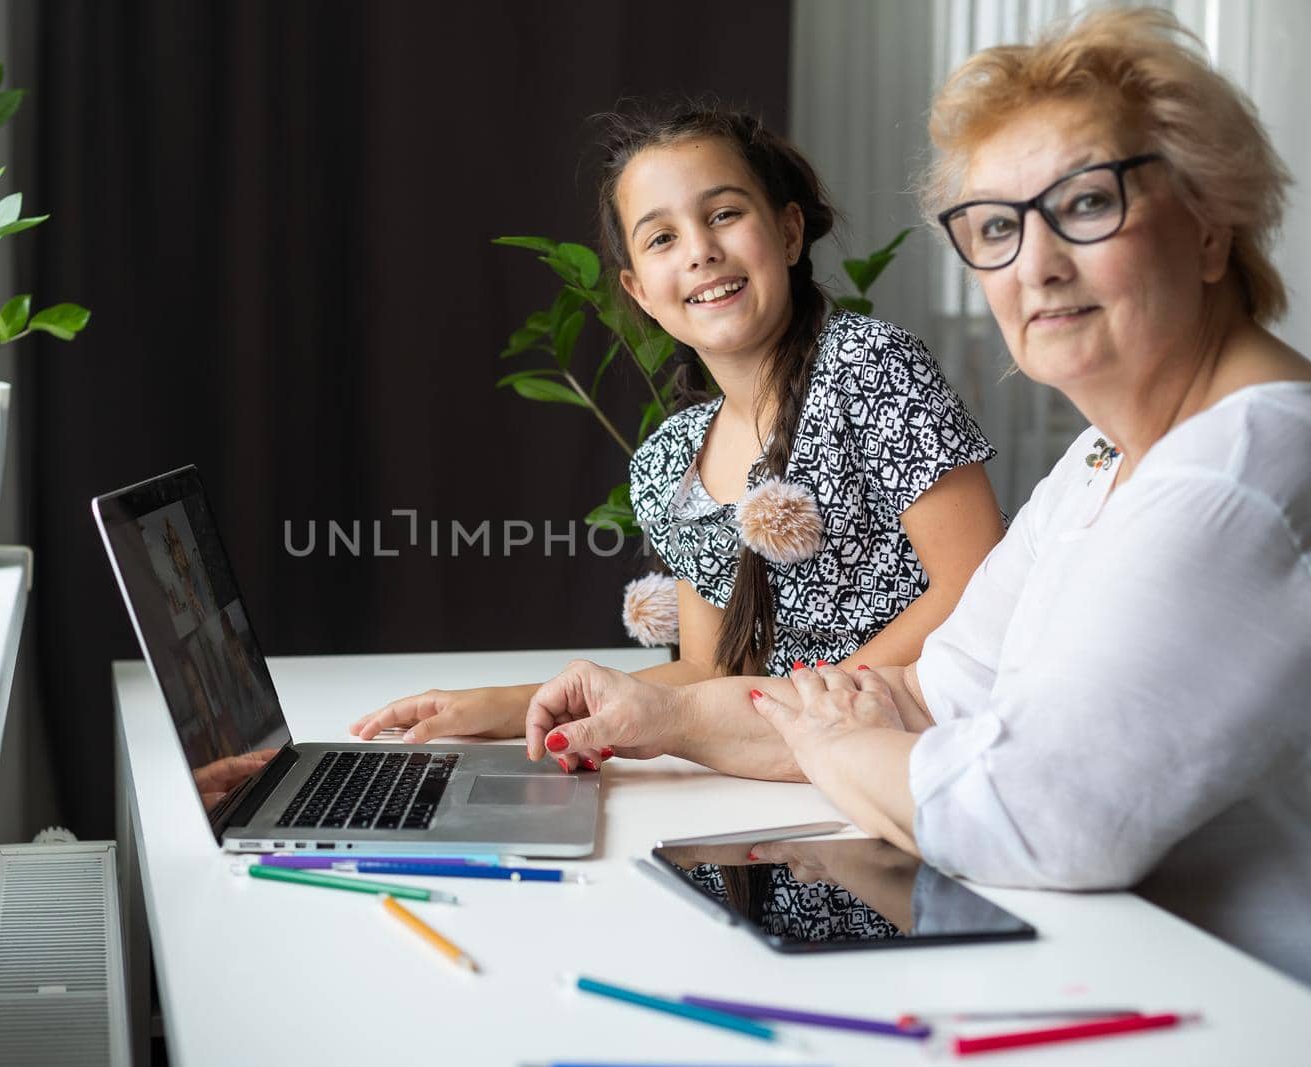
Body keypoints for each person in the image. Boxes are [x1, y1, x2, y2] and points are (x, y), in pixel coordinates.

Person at [521, 8, 1311, 982]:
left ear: (1207, 226)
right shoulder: (1103, 461)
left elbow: (1030, 811)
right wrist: (665, 717)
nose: (1036, 263)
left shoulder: (1236, 477)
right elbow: (930, 692)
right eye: (995, 226)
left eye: (1088, 204)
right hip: (1102, 963)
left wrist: (825, 735)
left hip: (1230, 1010)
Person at [349, 104, 1006, 767]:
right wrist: (503, 706)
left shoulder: (869, 368)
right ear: (638, 291)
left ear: (787, 231)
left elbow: (977, 586)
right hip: (776, 777)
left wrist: (815, 718)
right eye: (661, 238)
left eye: (724, 214)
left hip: (908, 764)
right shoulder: (671, 461)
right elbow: (707, 675)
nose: (700, 250)